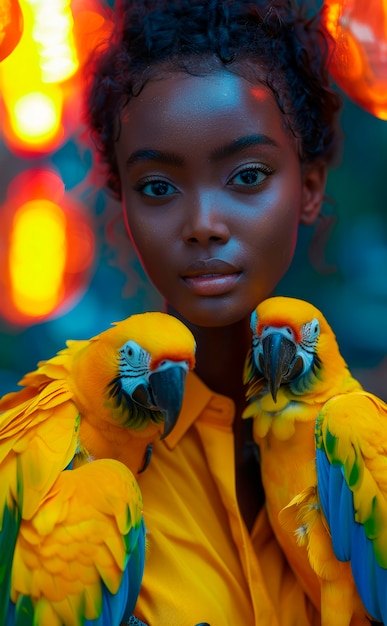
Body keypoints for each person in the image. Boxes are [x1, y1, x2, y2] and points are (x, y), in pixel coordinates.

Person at [85, 1, 341, 624]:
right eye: (157, 187)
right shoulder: (65, 466)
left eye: (247, 175)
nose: (203, 225)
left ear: (307, 188)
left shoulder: (368, 453)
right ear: (122, 199)